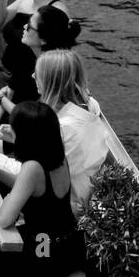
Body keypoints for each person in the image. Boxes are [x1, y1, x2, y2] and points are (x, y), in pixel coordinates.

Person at [0, 101, 82, 277]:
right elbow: (31, 188)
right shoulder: (58, 156)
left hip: (45, 255)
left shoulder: (32, 167)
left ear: (26, 136)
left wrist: (7, 198)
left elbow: (4, 219)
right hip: (68, 247)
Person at [35, 49, 115, 215]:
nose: (33, 77)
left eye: (38, 74)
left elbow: (34, 177)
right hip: (81, 188)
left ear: (51, 83)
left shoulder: (63, 128)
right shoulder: (90, 105)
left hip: (63, 207)